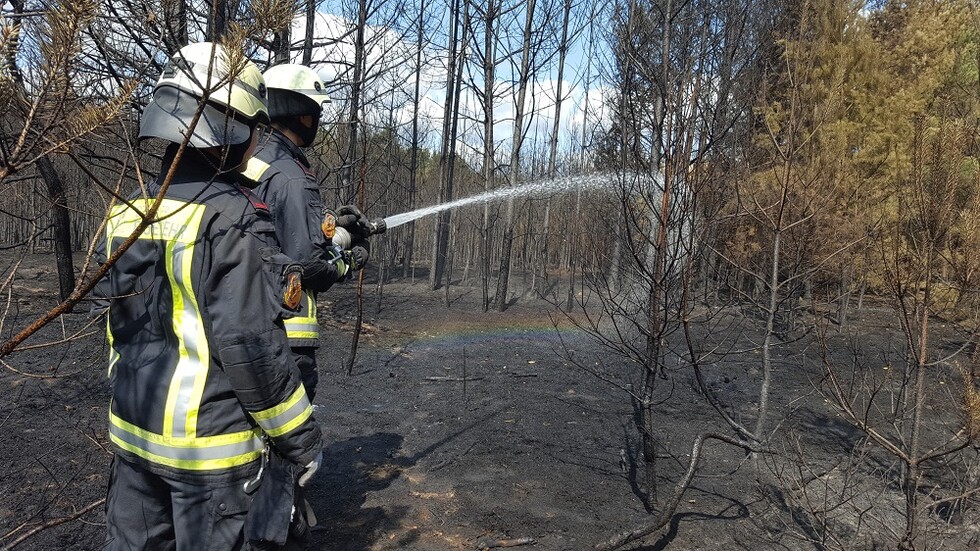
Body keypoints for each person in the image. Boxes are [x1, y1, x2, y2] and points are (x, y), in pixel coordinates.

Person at [97, 42, 322, 550]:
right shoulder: (233, 221)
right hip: (208, 457)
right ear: (229, 127)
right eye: (253, 127)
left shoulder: (129, 216)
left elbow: (117, 331)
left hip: (133, 437)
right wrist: (301, 442)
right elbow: (251, 348)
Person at [240, 63, 371, 400]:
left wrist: (331, 226)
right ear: (304, 113)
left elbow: (273, 235)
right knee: (290, 434)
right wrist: (348, 261)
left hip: (244, 329)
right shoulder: (292, 177)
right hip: (286, 335)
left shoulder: (249, 162)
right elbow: (308, 263)